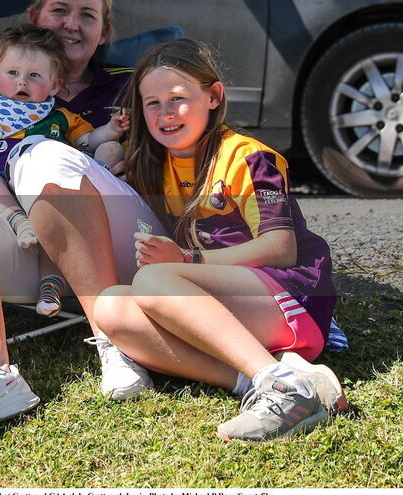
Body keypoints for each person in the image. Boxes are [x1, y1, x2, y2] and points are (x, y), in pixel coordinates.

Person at [0, 0, 161, 434]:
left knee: (43, 154)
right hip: (33, 244)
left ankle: (114, 337)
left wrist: (131, 159)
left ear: (104, 30)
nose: (72, 23)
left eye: (87, 15)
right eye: (60, 10)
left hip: (124, 243)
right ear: (35, 16)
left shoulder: (130, 86)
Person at [93, 38, 346, 442]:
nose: (165, 113)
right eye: (152, 102)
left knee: (153, 281)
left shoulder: (249, 156)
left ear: (213, 96)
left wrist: (187, 260)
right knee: (110, 308)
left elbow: (281, 249)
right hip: (232, 310)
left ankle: (277, 383)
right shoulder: (151, 162)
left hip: (294, 298)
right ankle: (276, 381)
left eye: (177, 98)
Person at [0, 23, 128, 317]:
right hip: (2, 191)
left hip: (42, 193)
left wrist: (111, 130)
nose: (22, 83)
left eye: (35, 76)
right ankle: (17, 220)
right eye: (13, 73)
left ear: (54, 85)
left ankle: (50, 286)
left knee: (54, 221)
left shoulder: (61, 116)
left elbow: (88, 140)